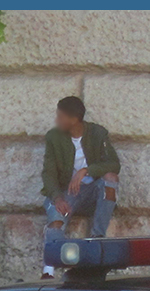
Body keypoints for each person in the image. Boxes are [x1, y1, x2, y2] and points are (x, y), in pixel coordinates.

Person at [40, 96, 120, 278]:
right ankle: (50, 269)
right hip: (67, 193)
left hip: (92, 191)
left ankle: (97, 239)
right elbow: (48, 172)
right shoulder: (53, 137)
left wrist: (86, 170)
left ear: (73, 119)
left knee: (110, 179)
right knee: (55, 221)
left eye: (60, 117)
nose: (57, 120)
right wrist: (57, 197)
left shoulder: (98, 134)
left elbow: (114, 164)